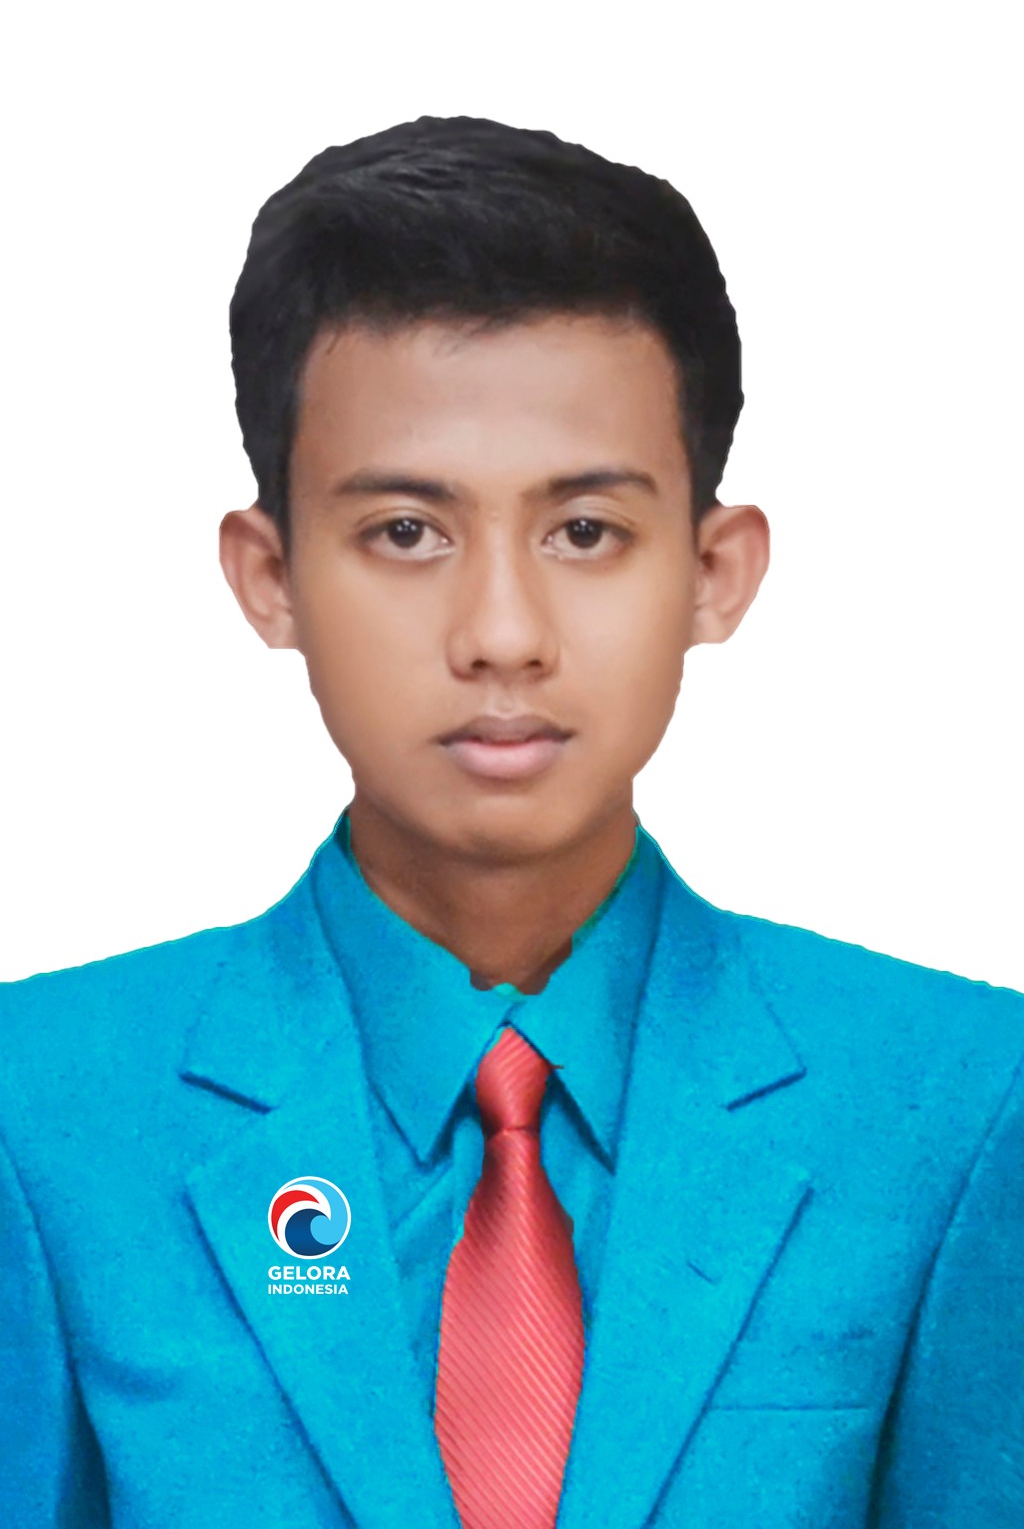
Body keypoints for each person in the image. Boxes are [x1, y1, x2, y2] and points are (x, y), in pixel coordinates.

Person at [1, 114, 1021, 1529]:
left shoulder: (958, 1098)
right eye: (406, 532)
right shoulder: (42, 1108)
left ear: (715, 571)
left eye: (585, 531)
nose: (501, 633)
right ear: (270, 576)